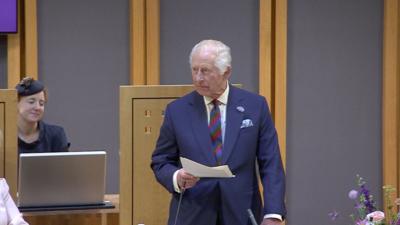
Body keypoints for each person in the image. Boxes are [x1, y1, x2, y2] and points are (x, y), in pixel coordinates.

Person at [151, 40, 286, 225]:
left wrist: (273, 214)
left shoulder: (255, 106)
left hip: (242, 214)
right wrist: (176, 177)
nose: (198, 78)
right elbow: (161, 161)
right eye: (194, 70)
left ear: (226, 71)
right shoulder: (177, 111)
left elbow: (271, 163)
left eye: (205, 71)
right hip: (193, 214)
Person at [16, 77, 69, 154]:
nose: (37, 107)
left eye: (41, 103)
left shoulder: (56, 134)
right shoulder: (3, 135)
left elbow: (64, 165)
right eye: (31, 102)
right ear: (16, 103)